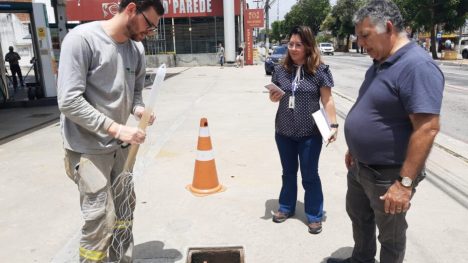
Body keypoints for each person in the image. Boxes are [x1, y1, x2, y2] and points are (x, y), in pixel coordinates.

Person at [327, 1, 444, 263]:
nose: (360, 43)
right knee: (359, 218)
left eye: (365, 35)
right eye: (358, 36)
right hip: (360, 166)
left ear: (388, 27)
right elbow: (377, 110)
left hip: (389, 174)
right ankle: (362, 259)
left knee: (390, 235)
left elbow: (427, 128)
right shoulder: (381, 62)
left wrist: (404, 184)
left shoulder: (417, 66)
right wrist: (354, 148)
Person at [57, 1, 164, 262]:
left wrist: (139, 110)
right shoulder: (82, 40)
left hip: (121, 151)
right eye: (148, 24)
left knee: (124, 213)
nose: (149, 32)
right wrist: (116, 128)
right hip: (88, 149)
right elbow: (69, 101)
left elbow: (135, 93)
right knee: (100, 218)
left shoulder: (135, 49)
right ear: (130, 9)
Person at [268, 25, 338, 235]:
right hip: (284, 131)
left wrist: (333, 125)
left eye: (299, 44)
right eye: (291, 44)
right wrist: (272, 97)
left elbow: (327, 100)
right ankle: (286, 207)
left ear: (308, 46)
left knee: (310, 175)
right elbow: (274, 95)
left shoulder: (319, 71)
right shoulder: (281, 70)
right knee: (288, 173)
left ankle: (314, 215)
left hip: (310, 133)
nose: (294, 48)